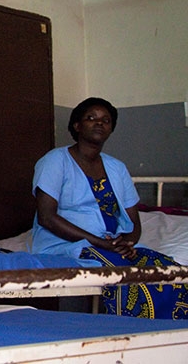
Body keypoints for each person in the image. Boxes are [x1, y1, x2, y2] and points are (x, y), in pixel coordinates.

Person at [31, 97, 187, 319]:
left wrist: (127, 243)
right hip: (65, 244)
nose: (99, 123)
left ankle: (174, 339)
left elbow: (133, 221)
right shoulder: (55, 161)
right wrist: (103, 244)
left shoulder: (116, 168)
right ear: (77, 125)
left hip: (109, 244)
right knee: (127, 279)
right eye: (91, 118)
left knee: (170, 271)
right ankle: (128, 339)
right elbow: (47, 217)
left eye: (106, 120)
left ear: (111, 129)